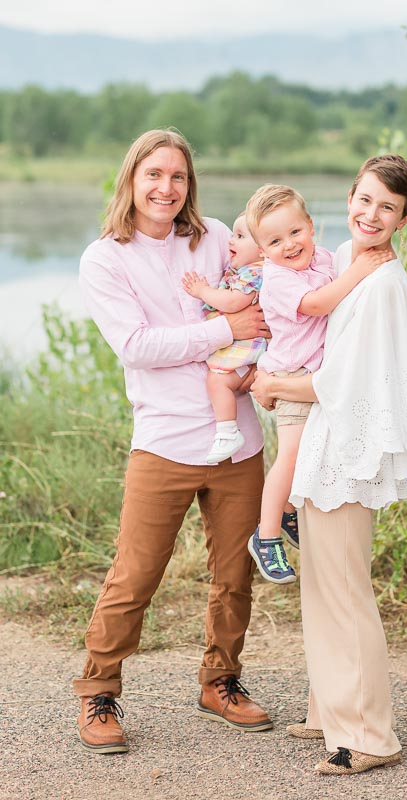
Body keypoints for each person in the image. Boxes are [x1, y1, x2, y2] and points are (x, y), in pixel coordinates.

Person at [73, 129, 273, 755]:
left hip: (237, 438)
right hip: (162, 441)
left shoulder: (215, 237)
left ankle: (221, 682)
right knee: (135, 576)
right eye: (154, 174)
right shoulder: (104, 259)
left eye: (178, 176)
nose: (166, 187)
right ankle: (99, 691)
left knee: (235, 573)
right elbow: (136, 347)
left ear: (190, 184)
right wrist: (221, 329)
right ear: (131, 179)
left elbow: (266, 297)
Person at [251, 155, 407, 775]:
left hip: (349, 452)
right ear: (349, 197)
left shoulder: (378, 283)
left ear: (402, 221)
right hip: (327, 450)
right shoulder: (346, 269)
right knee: (323, 589)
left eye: (387, 207)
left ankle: (369, 736)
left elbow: (350, 382)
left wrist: (272, 382)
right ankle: (330, 708)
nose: (371, 214)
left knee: (345, 593)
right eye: (365, 199)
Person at [244, 184, 392, 585]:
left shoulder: (324, 259)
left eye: (295, 232)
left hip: (314, 375)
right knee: (290, 456)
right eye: (274, 241)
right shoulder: (278, 280)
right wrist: (361, 268)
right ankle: (266, 535)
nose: (289, 245)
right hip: (290, 375)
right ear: (262, 251)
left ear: (311, 226)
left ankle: (289, 511)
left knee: (311, 451)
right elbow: (317, 304)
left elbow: (343, 285)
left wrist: (364, 258)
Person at [181, 212, 266, 465]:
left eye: (240, 236)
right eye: (232, 234)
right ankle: (227, 432)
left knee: (217, 382)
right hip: (246, 343)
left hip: (248, 345)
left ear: (262, 249)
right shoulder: (244, 270)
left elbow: (232, 302)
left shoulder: (255, 273)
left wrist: (202, 291)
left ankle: (228, 431)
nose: (231, 241)